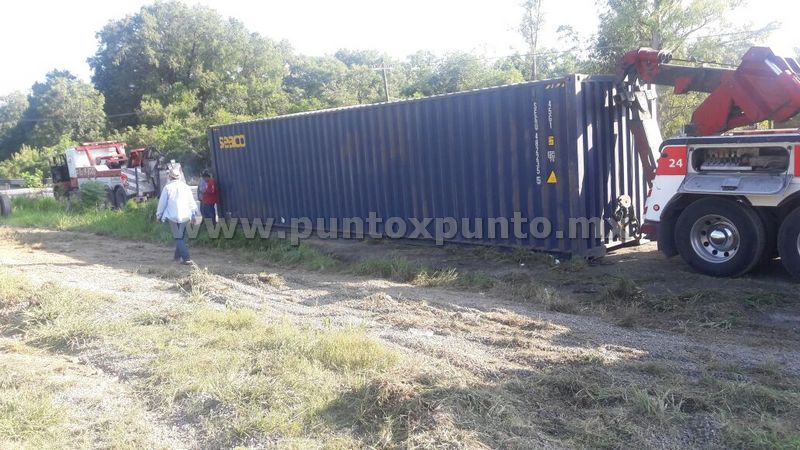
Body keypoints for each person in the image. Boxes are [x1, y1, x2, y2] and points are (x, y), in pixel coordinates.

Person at [156, 167, 199, 265]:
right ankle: (177, 257)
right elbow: (191, 202)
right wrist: (193, 215)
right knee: (181, 237)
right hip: (185, 216)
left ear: (170, 177)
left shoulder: (167, 188)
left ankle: (186, 258)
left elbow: (162, 204)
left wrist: (158, 215)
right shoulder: (186, 187)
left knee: (178, 238)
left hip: (173, 217)